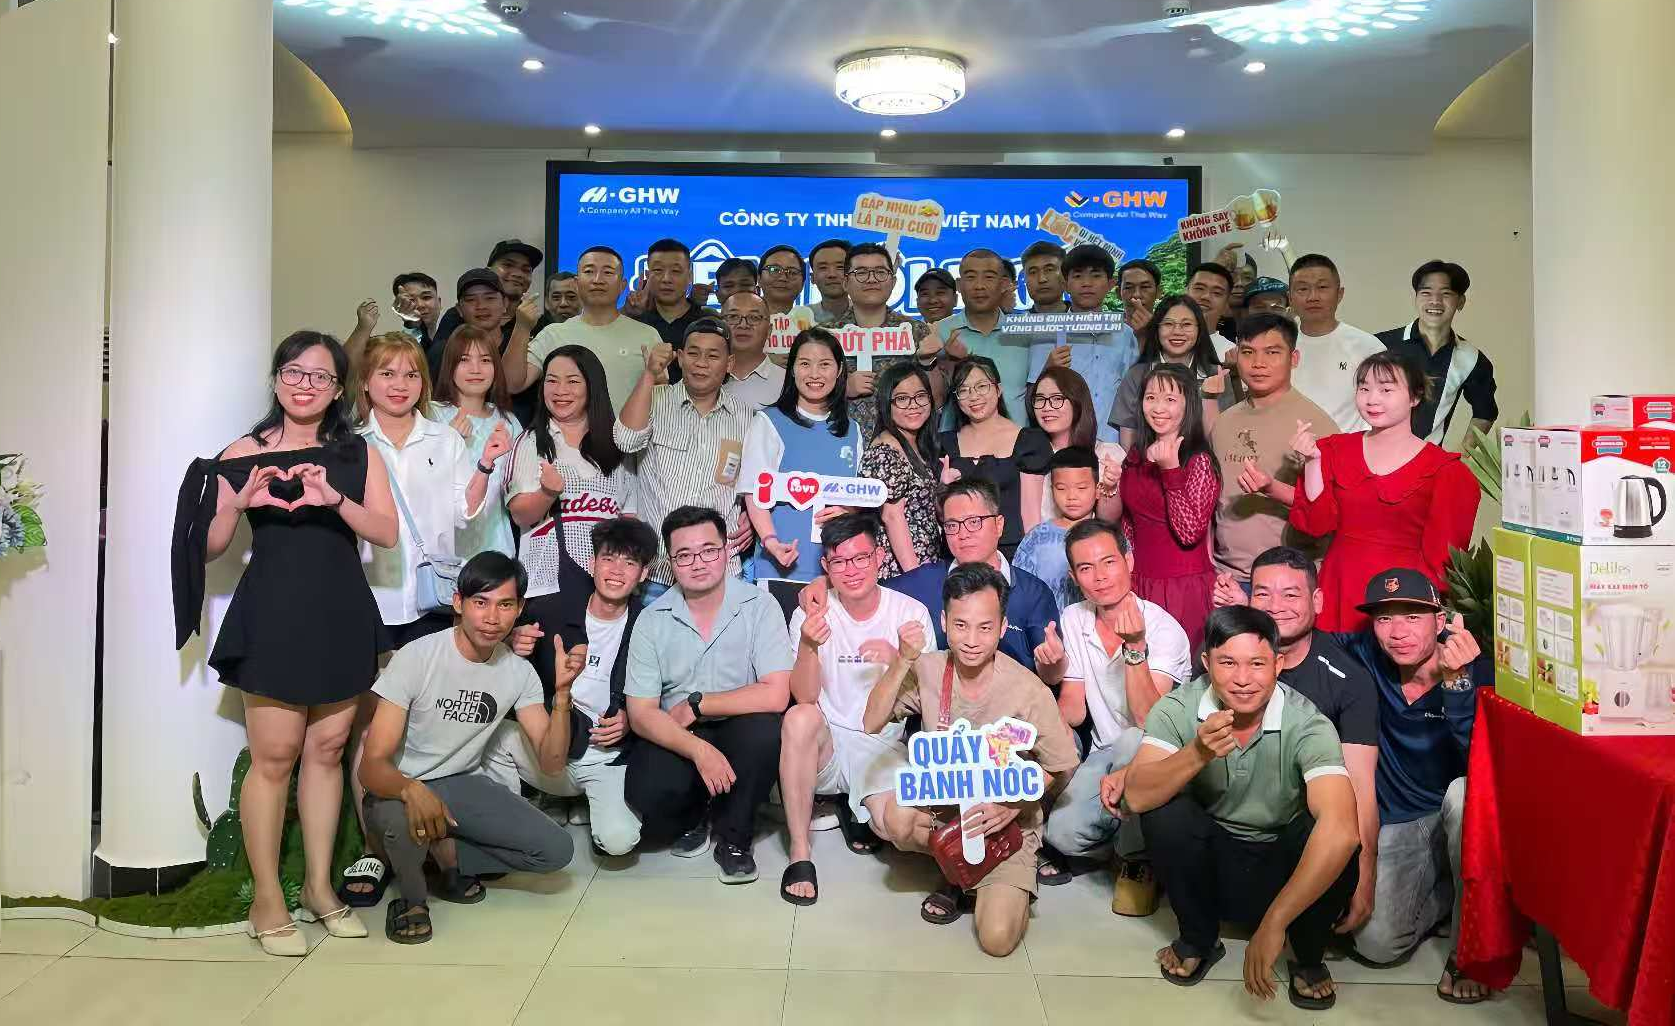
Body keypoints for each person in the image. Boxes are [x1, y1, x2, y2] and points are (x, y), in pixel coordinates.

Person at [203, 331, 398, 955]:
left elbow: (386, 533)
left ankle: (318, 887)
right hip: (272, 611)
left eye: (320, 376)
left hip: (340, 609)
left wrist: (335, 499)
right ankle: (266, 898)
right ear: (276, 379)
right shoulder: (243, 451)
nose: (305, 384)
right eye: (293, 372)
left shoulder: (357, 452)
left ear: (338, 388)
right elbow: (208, 546)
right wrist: (236, 505)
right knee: (275, 755)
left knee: (329, 748)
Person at [1127, 605, 1360, 1010]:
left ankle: (1306, 955)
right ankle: (1198, 939)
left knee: (1331, 834)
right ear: (1206, 663)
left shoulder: (1308, 722)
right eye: (1228, 662)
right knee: (1166, 811)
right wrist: (1197, 753)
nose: (1243, 678)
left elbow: (1343, 830)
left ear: (1278, 665)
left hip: (1283, 870)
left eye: (1257, 663)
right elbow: (1136, 796)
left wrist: (1275, 923)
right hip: (1212, 868)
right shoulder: (1178, 708)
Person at [860, 563, 1081, 954]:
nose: (972, 640)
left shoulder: (1026, 688)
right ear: (944, 622)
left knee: (997, 940)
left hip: (1004, 822)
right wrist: (903, 660)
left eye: (985, 627)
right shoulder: (929, 669)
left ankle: (986, 878)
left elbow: (1062, 763)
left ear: (1002, 627)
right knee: (895, 816)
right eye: (961, 625)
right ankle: (957, 871)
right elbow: (872, 721)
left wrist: (1013, 805)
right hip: (947, 811)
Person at [359, 552, 577, 944]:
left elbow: (551, 763)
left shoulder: (519, 673)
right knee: (403, 823)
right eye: (481, 602)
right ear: (458, 602)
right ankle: (411, 899)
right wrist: (411, 789)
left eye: (505, 605)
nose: (492, 618)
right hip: (397, 786)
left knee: (555, 851)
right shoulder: (417, 657)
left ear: (519, 609)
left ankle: (446, 856)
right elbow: (371, 766)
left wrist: (561, 697)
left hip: (460, 784)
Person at [1336, 568, 1492, 1005]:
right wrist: (1250, 606)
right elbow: (1304, 645)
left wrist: (1457, 682)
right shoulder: (1366, 655)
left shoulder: (1478, 669)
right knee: (1375, 944)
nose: (1397, 632)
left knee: (1464, 793)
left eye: (1412, 616)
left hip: (1460, 815)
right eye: (1384, 618)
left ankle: (1469, 950)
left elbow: (1482, 766)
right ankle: (1444, 892)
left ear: (1440, 621)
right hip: (1402, 823)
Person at [1212, 546, 1382, 942]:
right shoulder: (1227, 658)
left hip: (1301, 828)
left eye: (1291, 594)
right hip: (1231, 818)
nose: (1275, 606)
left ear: (1317, 601)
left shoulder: (1349, 680)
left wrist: (1366, 873)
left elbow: (1361, 785)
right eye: (1263, 593)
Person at [624, 506, 795, 883]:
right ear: (671, 563)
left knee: (764, 732)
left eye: (709, 550)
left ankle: (735, 837)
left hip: (739, 724)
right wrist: (699, 750)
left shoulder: (759, 606)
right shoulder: (652, 620)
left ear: (726, 550)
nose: (698, 563)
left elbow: (776, 695)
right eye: (684, 555)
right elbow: (641, 713)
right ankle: (697, 814)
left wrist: (699, 704)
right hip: (680, 733)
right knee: (644, 789)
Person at [779, 513, 937, 904]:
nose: (851, 570)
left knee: (900, 827)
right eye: (839, 561)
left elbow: (932, 697)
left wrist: (899, 660)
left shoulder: (910, 613)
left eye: (861, 558)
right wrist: (808, 646)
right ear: (825, 566)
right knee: (799, 718)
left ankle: (977, 864)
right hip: (827, 745)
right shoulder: (811, 614)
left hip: (882, 745)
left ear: (879, 556)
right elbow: (803, 696)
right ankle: (800, 851)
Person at [483, 519, 657, 858]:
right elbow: (493, 652)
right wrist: (511, 641)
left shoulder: (649, 624)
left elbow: (662, 693)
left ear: (643, 574)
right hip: (551, 743)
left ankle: (584, 800)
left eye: (629, 562)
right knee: (489, 735)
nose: (616, 570)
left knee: (618, 841)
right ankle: (518, 819)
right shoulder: (551, 611)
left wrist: (632, 718)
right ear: (592, 564)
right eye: (609, 558)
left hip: (606, 755)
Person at [1041, 519, 1192, 876]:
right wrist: (1046, 680)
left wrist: (1135, 646)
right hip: (1103, 751)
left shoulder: (1164, 629)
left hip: (1156, 750)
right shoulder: (1073, 618)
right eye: (1086, 568)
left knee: (1131, 739)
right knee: (1060, 835)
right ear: (1075, 578)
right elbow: (1074, 709)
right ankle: (1132, 842)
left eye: (1108, 562)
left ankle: (1136, 860)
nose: (1100, 577)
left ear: (1129, 561)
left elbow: (1149, 721)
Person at [1290, 352, 1479, 631]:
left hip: (1401, 597)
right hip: (1340, 585)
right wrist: (1312, 462)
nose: (1372, 399)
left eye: (1386, 390)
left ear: (1415, 397)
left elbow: (1443, 561)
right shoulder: (1333, 450)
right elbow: (1316, 525)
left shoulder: (1445, 471)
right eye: (1364, 388)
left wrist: (1414, 613)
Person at [357, 332, 503, 649]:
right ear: (366, 381)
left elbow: (464, 513)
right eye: (387, 374)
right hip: (366, 594)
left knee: (427, 679)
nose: (400, 385)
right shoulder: (351, 444)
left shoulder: (445, 439)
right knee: (367, 681)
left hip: (431, 595)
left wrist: (485, 465)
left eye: (411, 375)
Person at [616, 317, 756, 598]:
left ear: (729, 364)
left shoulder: (747, 416)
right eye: (693, 353)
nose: (701, 363)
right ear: (679, 358)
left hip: (723, 572)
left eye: (713, 356)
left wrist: (751, 517)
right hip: (658, 572)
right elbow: (626, 440)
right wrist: (649, 375)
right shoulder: (654, 399)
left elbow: (754, 481)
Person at [883, 478, 1061, 680]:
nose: (963, 534)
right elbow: (869, 594)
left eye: (974, 522)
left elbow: (1051, 674)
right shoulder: (923, 582)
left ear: (999, 525)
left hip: (1016, 698)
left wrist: (1054, 662)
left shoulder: (1033, 592)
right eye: (952, 525)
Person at [740, 327, 864, 616]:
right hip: (782, 568)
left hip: (839, 572)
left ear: (839, 370)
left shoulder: (852, 431)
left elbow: (858, 497)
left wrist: (848, 510)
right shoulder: (768, 422)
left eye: (824, 364)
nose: (814, 374)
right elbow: (753, 493)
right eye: (805, 363)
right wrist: (771, 542)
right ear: (792, 370)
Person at [1209, 313, 1334, 582]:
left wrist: (1273, 489)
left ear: (1294, 358)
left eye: (1272, 352)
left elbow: (1332, 511)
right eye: (1248, 352)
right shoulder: (1224, 421)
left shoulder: (1316, 425)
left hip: (1290, 580)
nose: (1258, 363)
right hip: (1226, 577)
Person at [506, 345, 637, 581]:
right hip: (548, 581)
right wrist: (547, 493)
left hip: (609, 582)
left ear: (592, 386)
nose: (560, 391)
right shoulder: (531, 441)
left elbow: (629, 519)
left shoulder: (618, 445)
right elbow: (520, 516)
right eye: (552, 381)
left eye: (573, 381)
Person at [1121, 363, 1220, 651]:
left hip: (1184, 588)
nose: (1158, 408)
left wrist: (1170, 471)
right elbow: (1129, 522)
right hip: (1140, 583)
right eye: (1151, 398)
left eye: (1170, 399)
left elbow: (1189, 532)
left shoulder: (1198, 460)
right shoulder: (1136, 455)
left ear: (1188, 405)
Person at [509, 245, 663, 412]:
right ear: (576, 283)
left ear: (622, 285)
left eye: (608, 272)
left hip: (631, 429)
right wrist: (522, 327)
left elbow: (661, 397)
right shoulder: (553, 334)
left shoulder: (647, 335)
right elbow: (513, 384)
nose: (597, 280)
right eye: (589, 271)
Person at [1026, 244, 1141, 443]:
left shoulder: (1125, 334)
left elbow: (1131, 397)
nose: (1087, 283)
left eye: (1096, 275)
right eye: (1078, 276)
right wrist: (1047, 370)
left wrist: (1127, 449)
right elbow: (1031, 400)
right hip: (1062, 446)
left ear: (1110, 284)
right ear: (1065, 284)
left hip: (1112, 444)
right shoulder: (1046, 333)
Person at [1376, 260, 1497, 446]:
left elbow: (1485, 412)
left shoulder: (1471, 359)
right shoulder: (1380, 346)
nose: (1435, 301)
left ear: (1461, 302)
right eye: (1426, 292)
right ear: (1416, 298)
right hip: (1373, 456)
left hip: (1427, 461)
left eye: (1446, 293)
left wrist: (1462, 457)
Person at [941, 356, 1050, 558]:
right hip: (958, 553)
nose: (974, 396)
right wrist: (943, 488)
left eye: (982, 386)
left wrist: (1032, 559)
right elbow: (941, 514)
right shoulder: (944, 444)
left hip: (1009, 552)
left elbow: (1031, 514)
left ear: (998, 389)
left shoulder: (1029, 441)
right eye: (964, 390)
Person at [430, 325, 523, 560]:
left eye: (485, 360)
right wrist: (448, 442)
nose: (476, 369)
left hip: (497, 550)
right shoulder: (431, 414)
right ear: (450, 366)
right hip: (443, 554)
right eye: (464, 360)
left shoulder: (508, 422)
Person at [825, 242, 935, 439]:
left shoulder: (916, 331)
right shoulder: (825, 335)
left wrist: (928, 362)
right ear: (845, 282)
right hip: (838, 442)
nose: (871, 279)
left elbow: (937, 399)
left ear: (893, 281)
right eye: (861, 272)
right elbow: (802, 397)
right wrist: (840, 389)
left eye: (880, 272)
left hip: (904, 445)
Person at [858, 362, 943, 577]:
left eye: (920, 396)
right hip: (900, 571)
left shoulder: (917, 445)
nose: (913, 405)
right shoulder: (885, 450)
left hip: (925, 563)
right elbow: (892, 517)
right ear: (887, 404)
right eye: (902, 399)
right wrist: (915, 578)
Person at [1109, 295, 1225, 450]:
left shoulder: (1216, 374)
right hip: (1148, 463)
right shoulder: (1137, 375)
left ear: (1200, 329)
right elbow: (1128, 440)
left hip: (1204, 462)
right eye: (1168, 324)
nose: (1177, 331)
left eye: (1186, 324)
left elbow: (1225, 435)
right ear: (1157, 328)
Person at [1287, 254, 1387, 432]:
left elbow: (1385, 410)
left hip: (1350, 446)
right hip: (1289, 446)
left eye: (1322, 287)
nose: (1313, 297)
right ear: (1290, 298)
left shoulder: (1368, 347)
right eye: (1302, 289)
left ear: (1339, 294)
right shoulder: (1278, 347)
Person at [430, 240, 545, 378]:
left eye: (526, 270)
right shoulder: (455, 318)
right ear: (489, 270)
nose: (518, 274)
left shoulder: (539, 323)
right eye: (508, 265)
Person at [933, 249, 1027, 414]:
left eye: (989, 277)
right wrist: (950, 364)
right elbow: (932, 401)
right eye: (970, 277)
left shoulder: (1025, 331)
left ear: (1004, 284)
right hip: (958, 430)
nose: (979, 286)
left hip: (1019, 431)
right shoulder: (938, 332)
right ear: (959, 285)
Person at [1026, 367, 1123, 524]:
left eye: (1057, 398)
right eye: (1040, 399)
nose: (1047, 407)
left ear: (1077, 401)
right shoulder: (1028, 455)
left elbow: (1108, 521)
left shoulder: (1107, 454)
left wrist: (1110, 487)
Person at [1012, 446, 1102, 612]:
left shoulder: (1107, 537)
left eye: (1081, 488)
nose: (1071, 496)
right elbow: (1020, 587)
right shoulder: (1036, 538)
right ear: (1051, 489)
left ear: (1097, 490)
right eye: (1061, 488)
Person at [627, 238, 711, 348]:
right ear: (648, 275)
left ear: (690, 277)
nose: (666, 279)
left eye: (675, 271)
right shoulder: (634, 322)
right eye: (658, 270)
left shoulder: (708, 322)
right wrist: (627, 313)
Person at [720, 291, 786, 409]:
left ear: (769, 331)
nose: (743, 325)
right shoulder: (702, 377)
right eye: (733, 316)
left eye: (754, 318)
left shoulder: (788, 383)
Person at [806, 238, 852, 326]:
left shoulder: (869, 314)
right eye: (823, 268)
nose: (832, 274)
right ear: (812, 278)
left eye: (840, 267)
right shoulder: (801, 318)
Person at [758, 244, 810, 318]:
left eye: (792, 272)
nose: (783, 278)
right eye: (774, 270)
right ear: (759, 278)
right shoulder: (742, 321)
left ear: (802, 284)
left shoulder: (811, 322)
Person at [1118, 258, 1162, 336]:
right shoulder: (1106, 330)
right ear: (1118, 293)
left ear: (1158, 292)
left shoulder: (1168, 331)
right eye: (1128, 287)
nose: (1136, 295)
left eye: (1145, 287)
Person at [1022, 241, 1068, 313]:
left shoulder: (1085, 317)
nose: (1042, 279)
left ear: (1065, 275)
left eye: (1049, 270)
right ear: (1025, 278)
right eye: (1033, 272)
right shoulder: (1013, 320)